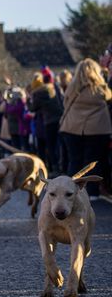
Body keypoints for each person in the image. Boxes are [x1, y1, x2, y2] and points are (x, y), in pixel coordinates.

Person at [60, 59, 112, 198]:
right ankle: (92, 192)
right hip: (97, 129)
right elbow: (109, 97)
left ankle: (71, 192)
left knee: (74, 160)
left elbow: (65, 104)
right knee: (92, 162)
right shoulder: (100, 89)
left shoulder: (72, 88)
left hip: (72, 128)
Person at [30, 67, 64, 173]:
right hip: (60, 119)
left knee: (50, 146)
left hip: (48, 122)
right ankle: (61, 166)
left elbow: (33, 108)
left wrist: (29, 100)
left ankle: (54, 167)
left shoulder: (37, 93)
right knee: (60, 145)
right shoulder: (55, 88)